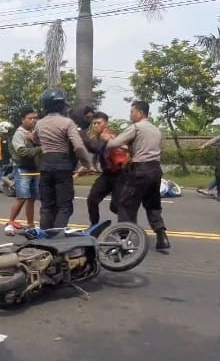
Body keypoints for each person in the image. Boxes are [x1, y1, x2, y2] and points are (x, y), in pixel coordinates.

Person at [109, 101, 170, 251]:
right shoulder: (156, 130)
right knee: (153, 205)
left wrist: (106, 139)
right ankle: (162, 237)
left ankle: (125, 241)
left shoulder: (136, 127)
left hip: (140, 170)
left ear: (140, 113)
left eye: (132, 112)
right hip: (155, 170)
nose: (130, 115)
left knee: (126, 204)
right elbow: (144, 148)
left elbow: (114, 143)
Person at [34, 89, 94, 229]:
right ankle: (57, 238)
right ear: (62, 105)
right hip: (62, 166)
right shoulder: (67, 123)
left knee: (47, 206)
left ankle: (45, 238)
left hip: (45, 166)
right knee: (64, 206)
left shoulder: (39, 124)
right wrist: (88, 164)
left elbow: (35, 139)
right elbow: (78, 146)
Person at [82, 112, 129, 227]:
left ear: (105, 124)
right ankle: (94, 226)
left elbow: (98, 148)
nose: (95, 125)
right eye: (94, 123)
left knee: (116, 206)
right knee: (92, 199)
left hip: (120, 175)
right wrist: (91, 166)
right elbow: (97, 152)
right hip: (107, 174)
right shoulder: (98, 138)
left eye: (99, 123)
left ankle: (127, 227)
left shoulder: (109, 136)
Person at [4, 107, 42, 235]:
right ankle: (10, 223)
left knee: (31, 197)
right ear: (23, 120)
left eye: (34, 118)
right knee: (22, 197)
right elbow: (23, 152)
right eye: (30, 118)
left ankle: (30, 224)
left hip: (35, 168)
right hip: (22, 168)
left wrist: (35, 140)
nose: (33, 121)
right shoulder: (19, 134)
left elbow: (41, 143)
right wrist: (40, 148)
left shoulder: (34, 131)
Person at [0, 121, 14, 194]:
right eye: (7, 128)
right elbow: (5, 149)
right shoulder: (3, 138)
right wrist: (11, 156)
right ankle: (1, 187)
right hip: (3, 158)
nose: (9, 130)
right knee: (3, 173)